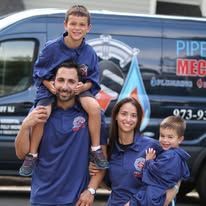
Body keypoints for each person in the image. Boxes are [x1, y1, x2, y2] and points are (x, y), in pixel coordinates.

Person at [19, 5, 108, 176]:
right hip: (51, 89)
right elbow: (39, 72)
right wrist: (48, 84)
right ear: (65, 24)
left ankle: (96, 149)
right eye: (73, 23)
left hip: (78, 89)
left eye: (82, 25)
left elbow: (94, 79)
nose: (77, 28)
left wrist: (84, 86)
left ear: (88, 28)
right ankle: (32, 154)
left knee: (95, 108)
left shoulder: (89, 52)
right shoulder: (51, 47)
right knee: (41, 113)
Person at [15, 61, 107, 205]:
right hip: (41, 199)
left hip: (75, 201)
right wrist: (25, 125)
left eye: (71, 81)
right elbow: (21, 154)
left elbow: (102, 160)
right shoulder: (40, 112)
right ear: (53, 82)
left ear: (79, 85)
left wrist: (91, 190)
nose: (65, 87)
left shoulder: (92, 114)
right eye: (61, 80)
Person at [101, 97, 179, 206]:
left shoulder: (152, 146)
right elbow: (107, 183)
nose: (128, 119)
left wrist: (173, 191)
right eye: (124, 114)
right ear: (116, 116)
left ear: (138, 120)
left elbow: (176, 169)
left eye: (133, 115)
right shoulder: (109, 148)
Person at [128, 115, 190, 206]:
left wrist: (148, 161)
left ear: (180, 139)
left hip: (155, 194)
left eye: (170, 137)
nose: (165, 140)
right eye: (162, 136)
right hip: (160, 192)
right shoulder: (176, 155)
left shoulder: (171, 155)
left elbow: (157, 170)